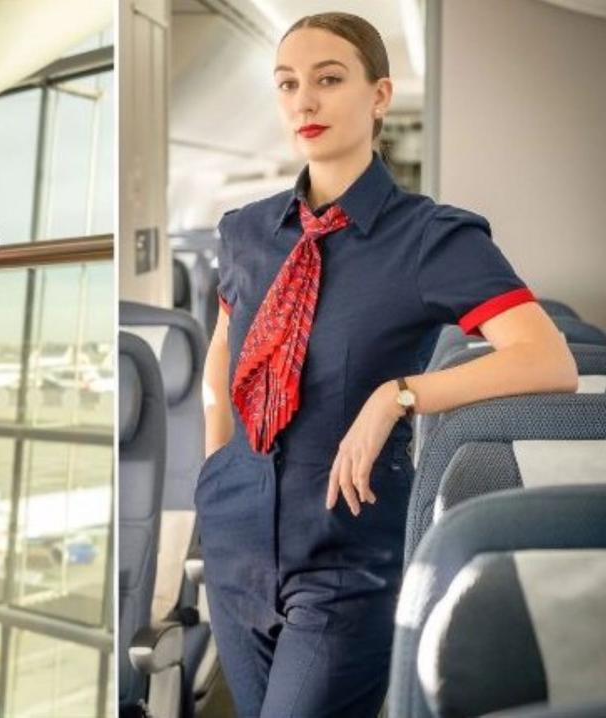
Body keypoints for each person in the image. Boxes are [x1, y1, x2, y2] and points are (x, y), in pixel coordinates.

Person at [195, 11, 578, 717]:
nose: (303, 101)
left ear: (378, 95)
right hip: (233, 540)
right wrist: (216, 472)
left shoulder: (432, 237)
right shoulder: (245, 231)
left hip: (345, 553)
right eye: (287, 84)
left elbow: (546, 359)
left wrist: (399, 396)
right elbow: (226, 349)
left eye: (329, 79)